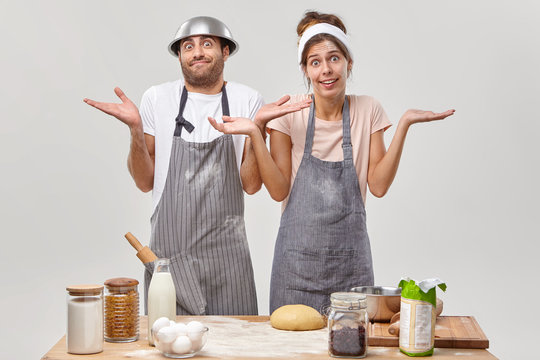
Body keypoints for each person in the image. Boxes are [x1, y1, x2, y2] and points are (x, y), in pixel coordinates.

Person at [209, 11, 455, 313]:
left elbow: (377, 186)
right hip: (295, 272)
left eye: (334, 58)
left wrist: (403, 124)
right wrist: (255, 133)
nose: (326, 70)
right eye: (315, 62)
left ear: (349, 63)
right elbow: (277, 191)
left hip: (352, 272)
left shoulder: (368, 109)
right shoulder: (289, 113)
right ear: (306, 70)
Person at [84, 16, 309, 316]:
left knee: (236, 348)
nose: (197, 52)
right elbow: (143, 181)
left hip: (229, 266)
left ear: (225, 52)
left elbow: (251, 186)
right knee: (170, 346)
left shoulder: (248, 99)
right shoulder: (157, 98)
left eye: (207, 44)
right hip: (171, 263)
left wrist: (256, 129)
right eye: (188, 46)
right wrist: (136, 129)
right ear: (179, 55)